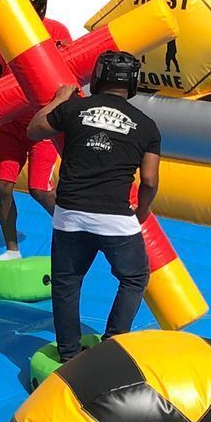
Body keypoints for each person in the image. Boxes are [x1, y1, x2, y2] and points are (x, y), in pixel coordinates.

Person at [26, 50, 161, 364]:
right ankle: (112, 344)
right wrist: (142, 211)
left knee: (66, 283)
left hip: (69, 214)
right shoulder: (146, 125)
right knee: (134, 278)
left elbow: (34, 129)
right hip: (115, 218)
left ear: (99, 76)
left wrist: (59, 99)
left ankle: (68, 352)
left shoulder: (74, 108)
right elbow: (150, 180)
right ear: (132, 83)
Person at [0, 0, 69, 259]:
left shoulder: (56, 32)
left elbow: (69, 76)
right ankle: (12, 250)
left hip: (43, 125)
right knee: (2, 187)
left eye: (38, 9)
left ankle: (75, 232)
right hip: (10, 122)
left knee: (39, 189)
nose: (35, 15)